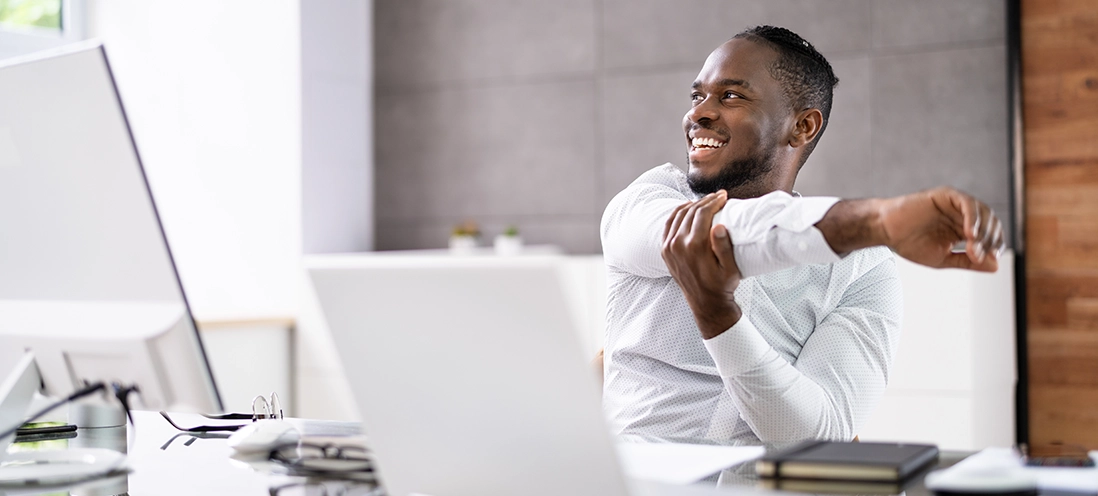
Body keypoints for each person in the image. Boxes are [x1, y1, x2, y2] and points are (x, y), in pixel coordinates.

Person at [600, 25, 1003, 443]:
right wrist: (877, 221)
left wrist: (720, 318)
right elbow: (703, 236)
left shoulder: (863, 267)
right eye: (698, 95)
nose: (698, 112)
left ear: (803, 127)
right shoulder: (648, 200)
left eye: (731, 96)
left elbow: (818, 432)